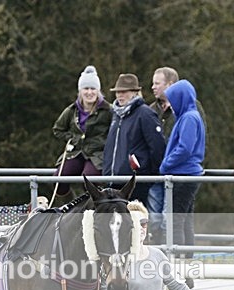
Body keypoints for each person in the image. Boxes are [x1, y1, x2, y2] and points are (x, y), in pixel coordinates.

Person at [102, 73, 166, 239]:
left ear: (135, 92)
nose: (120, 95)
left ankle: (144, 256)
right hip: (113, 180)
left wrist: (148, 174)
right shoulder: (116, 115)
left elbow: (158, 147)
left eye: (124, 91)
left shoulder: (145, 114)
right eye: (117, 92)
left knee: (138, 224)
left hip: (135, 182)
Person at [51, 65, 112, 205]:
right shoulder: (72, 110)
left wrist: (105, 144)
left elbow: (115, 132)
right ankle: (71, 207)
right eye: (86, 88)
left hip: (97, 155)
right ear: (80, 91)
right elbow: (58, 129)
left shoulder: (108, 110)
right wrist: (72, 139)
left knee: (89, 180)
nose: (89, 92)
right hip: (76, 152)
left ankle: (92, 209)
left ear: (98, 90)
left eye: (93, 89)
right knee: (58, 179)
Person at [160, 80, 206, 248]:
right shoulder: (188, 117)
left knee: (176, 220)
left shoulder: (189, 119)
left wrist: (166, 164)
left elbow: (185, 148)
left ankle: (176, 259)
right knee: (185, 219)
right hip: (186, 173)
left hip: (184, 174)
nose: (170, 105)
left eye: (172, 100)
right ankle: (186, 258)